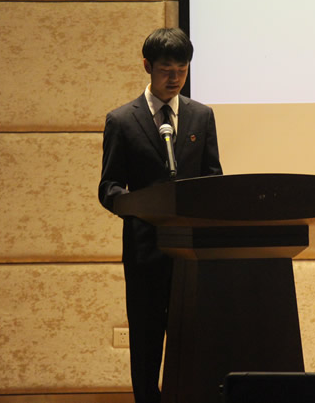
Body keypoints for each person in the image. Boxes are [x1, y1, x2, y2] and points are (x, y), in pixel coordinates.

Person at [98, 28, 222, 403]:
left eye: (182, 70)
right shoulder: (122, 120)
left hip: (192, 251)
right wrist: (139, 204)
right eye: (167, 70)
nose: (174, 78)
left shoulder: (201, 116)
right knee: (147, 339)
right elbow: (109, 187)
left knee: (193, 338)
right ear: (147, 66)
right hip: (144, 249)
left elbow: (213, 179)